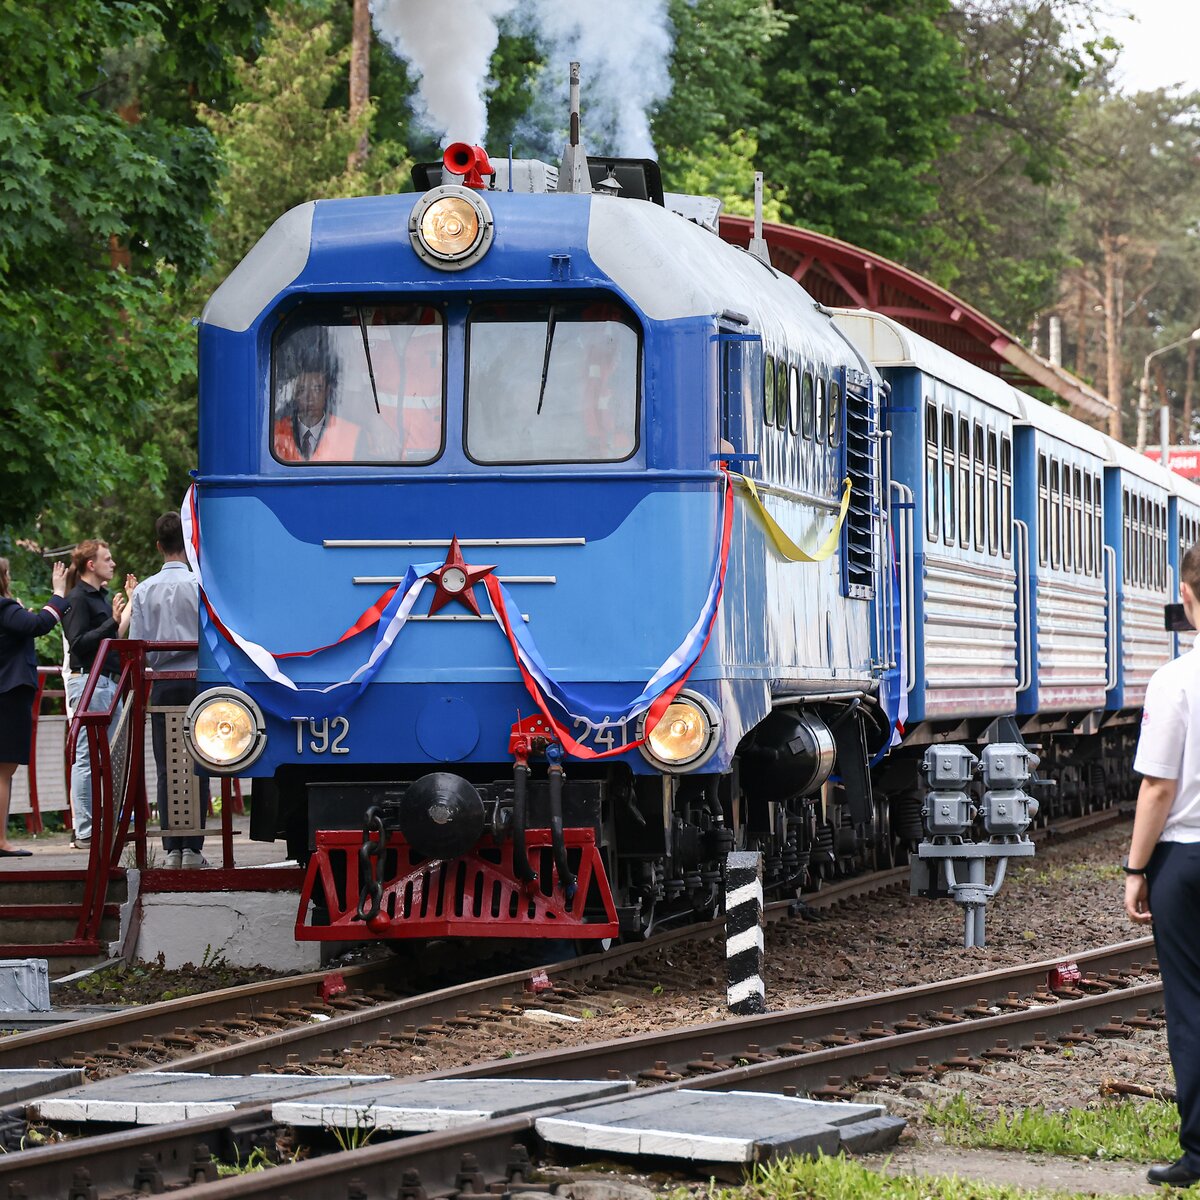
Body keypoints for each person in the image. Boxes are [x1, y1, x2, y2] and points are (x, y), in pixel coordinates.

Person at [1125, 539, 1200, 1187]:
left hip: (1185, 861)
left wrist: (1134, 869)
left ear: (1188, 597)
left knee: (1192, 1006)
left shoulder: (1175, 680)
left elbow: (1158, 789)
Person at [129, 512, 209, 869]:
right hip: (197, 680)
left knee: (166, 765)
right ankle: (194, 847)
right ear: (188, 543)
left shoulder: (144, 590)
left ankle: (172, 847)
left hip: (162, 683)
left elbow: (137, 645)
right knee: (201, 761)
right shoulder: (201, 584)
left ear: (159, 545)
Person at [61, 540, 136, 850]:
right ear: (90, 564)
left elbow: (113, 637)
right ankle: (86, 829)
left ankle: (109, 821)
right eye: (107, 558)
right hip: (89, 681)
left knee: (113, 753)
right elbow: (78, 643)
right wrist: (112, 621)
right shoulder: (77, 598)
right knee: (86, 757)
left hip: (107, 681)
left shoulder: (101, 597)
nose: (113, 563)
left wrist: (129, 606)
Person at [0, 557, 68, 856]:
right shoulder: (4, 607)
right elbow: (38, 625)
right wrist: (58, 594)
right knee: (3, 770)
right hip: (9, 693)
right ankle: (0, 842)